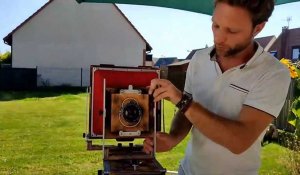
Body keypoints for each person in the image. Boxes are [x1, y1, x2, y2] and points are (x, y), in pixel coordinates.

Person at [143, 0, 291, 174]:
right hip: (188, 170)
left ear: (258, 28)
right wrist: (173, 138)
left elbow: (238, 141)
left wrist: (182, 101)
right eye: (216, 25)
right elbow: (187, 112)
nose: (219, 37)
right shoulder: (199, 59)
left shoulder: (273, 73)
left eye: (232, 30)